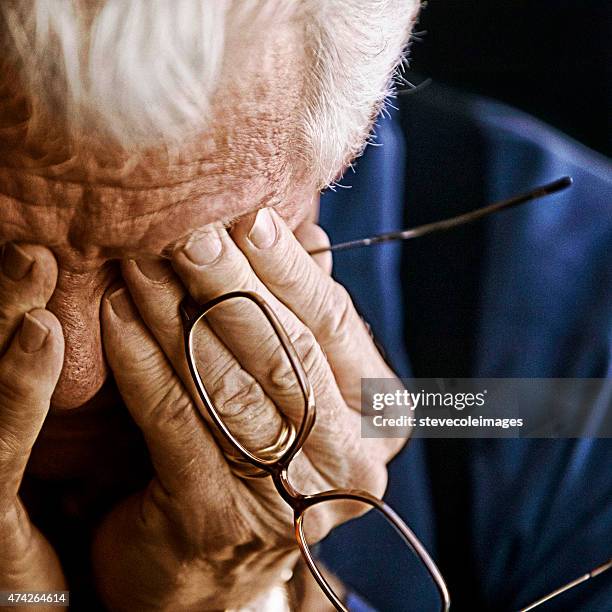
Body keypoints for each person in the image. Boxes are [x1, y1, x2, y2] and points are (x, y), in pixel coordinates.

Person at [1, 2, 611, 611]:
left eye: (166, 269)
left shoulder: (570, 342)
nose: (71, 382)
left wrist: (252, 600)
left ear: (346, 149)